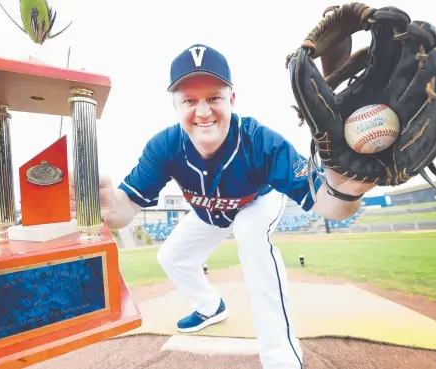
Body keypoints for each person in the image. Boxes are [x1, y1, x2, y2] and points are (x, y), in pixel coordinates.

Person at [70, 44, 375, 369]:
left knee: (250, 236)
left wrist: (348, 192)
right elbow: (123, 210)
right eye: (190, 100)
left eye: (213, 98)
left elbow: (328, 204)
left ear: (231, 100)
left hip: (258, 202)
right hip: (209, 214)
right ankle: (210, 306)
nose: (202, 112)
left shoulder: (261, 142)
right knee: (170, 256)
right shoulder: (165, 147)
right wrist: (105, 204)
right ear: (176, 106)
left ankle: (282, 359)